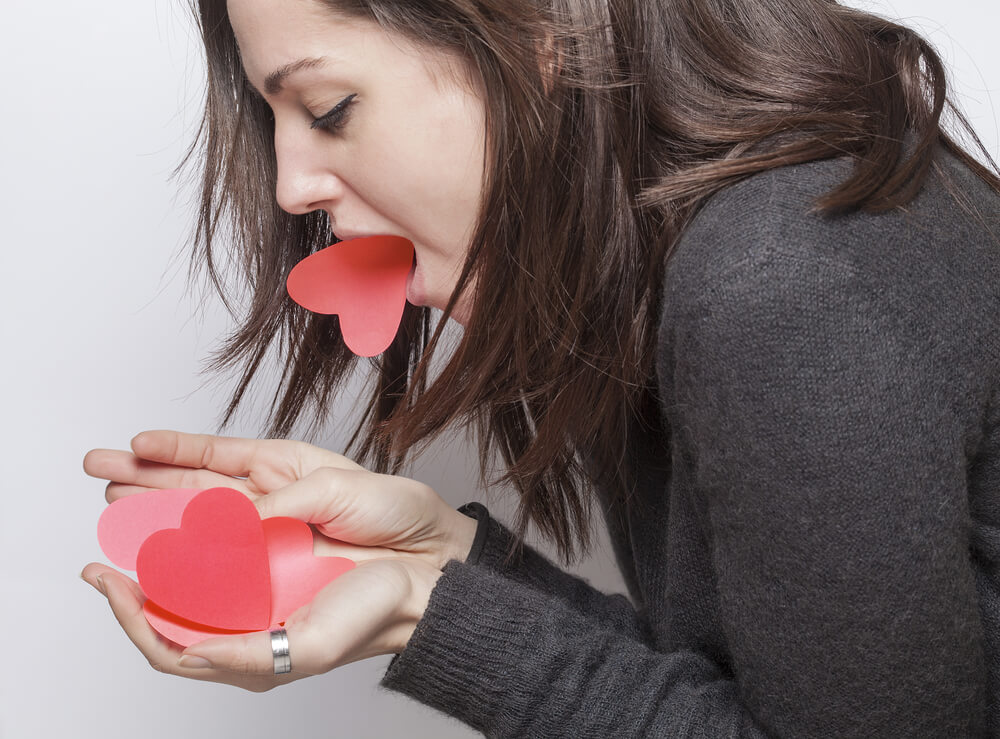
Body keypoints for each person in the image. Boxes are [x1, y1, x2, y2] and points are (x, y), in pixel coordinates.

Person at [81, 0, 1000, 735]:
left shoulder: (782, 279)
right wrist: (448, 560)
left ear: (530, 37)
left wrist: (427, 616)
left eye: (329, 109)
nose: (291, 187)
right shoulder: (656, 260)